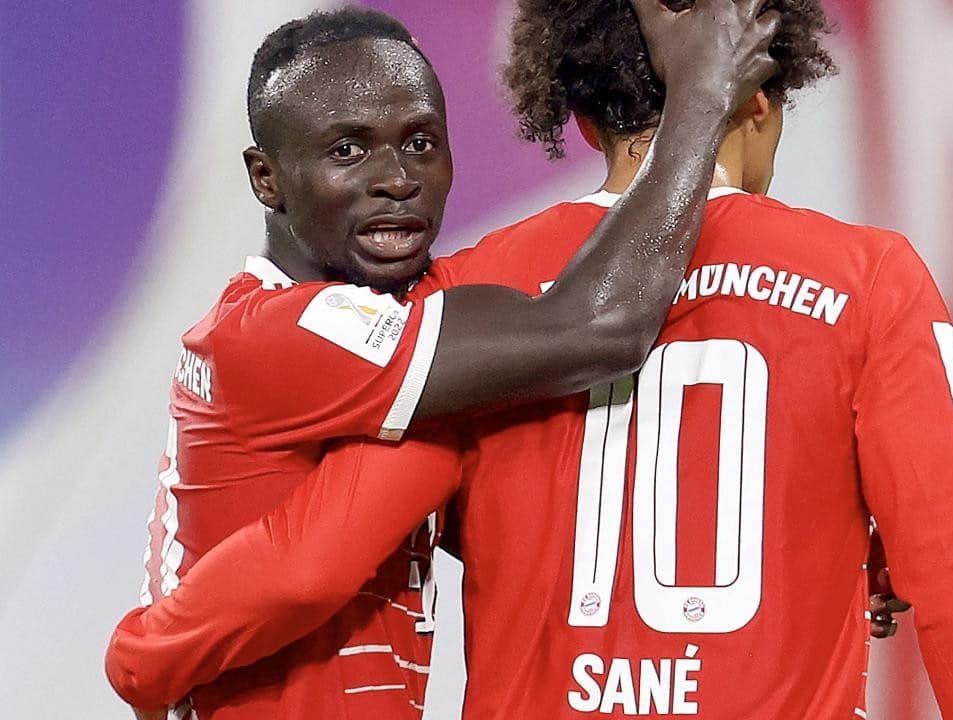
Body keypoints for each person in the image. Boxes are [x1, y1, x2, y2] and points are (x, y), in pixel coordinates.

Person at [105, 2, 784, 718]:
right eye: (347, 150)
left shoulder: (377, 339)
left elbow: (505, 510)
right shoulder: (282, 332)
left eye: (421, 142)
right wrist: (703, 93)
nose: (397, 178)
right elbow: (601, 326)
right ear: (266, 178)